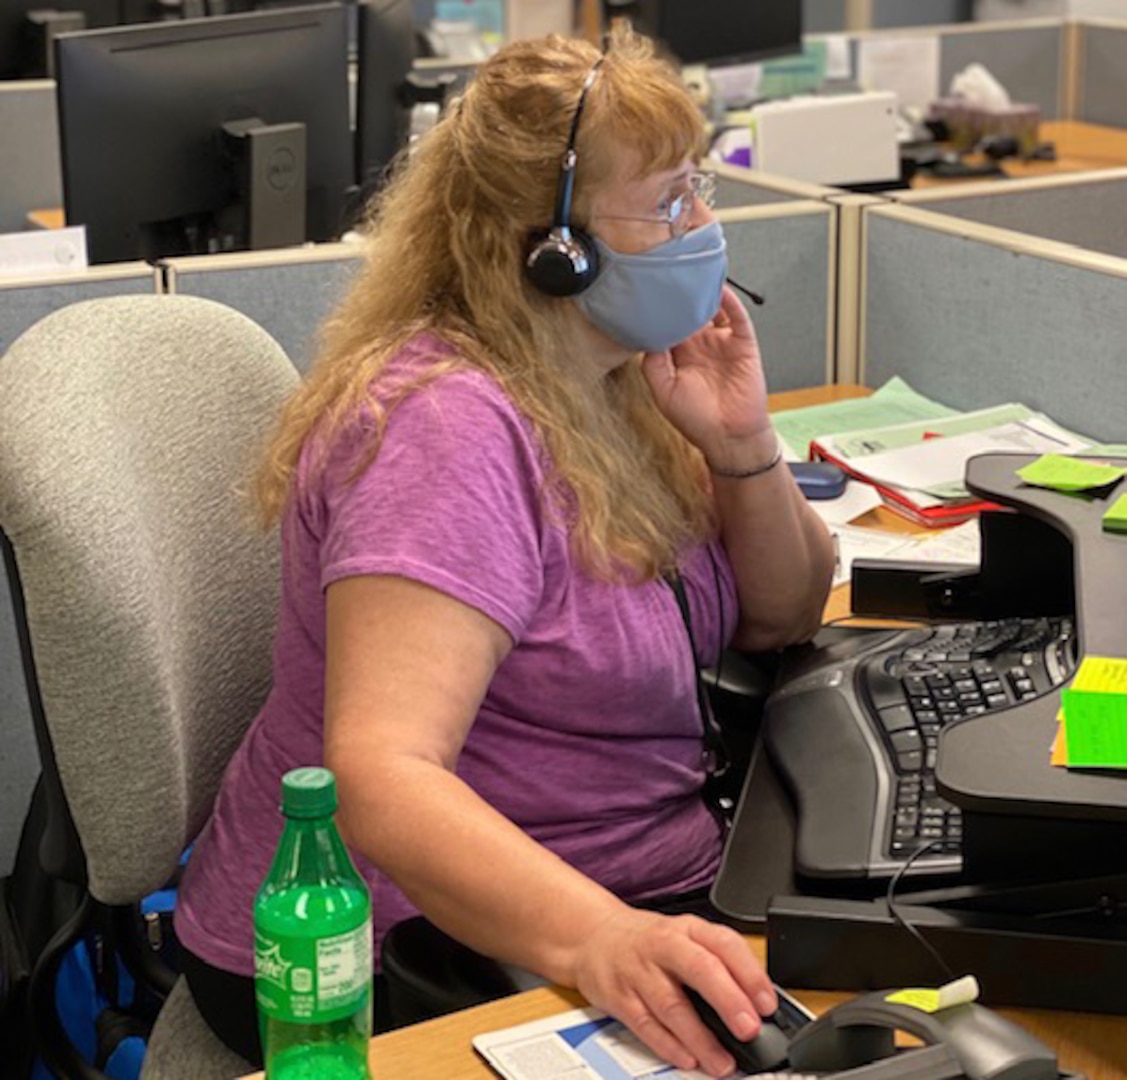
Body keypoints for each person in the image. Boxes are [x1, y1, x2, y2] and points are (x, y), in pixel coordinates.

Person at [174, 25, 834, 1077]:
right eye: (667, 202)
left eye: (698, 186)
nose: (704, 226)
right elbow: (385, 774)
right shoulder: (443, 428)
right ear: (551, 246)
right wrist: (601, 938)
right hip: (394, 952)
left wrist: (744, 448)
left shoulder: (622, 379)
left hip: (629, 884)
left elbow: (780, 617)